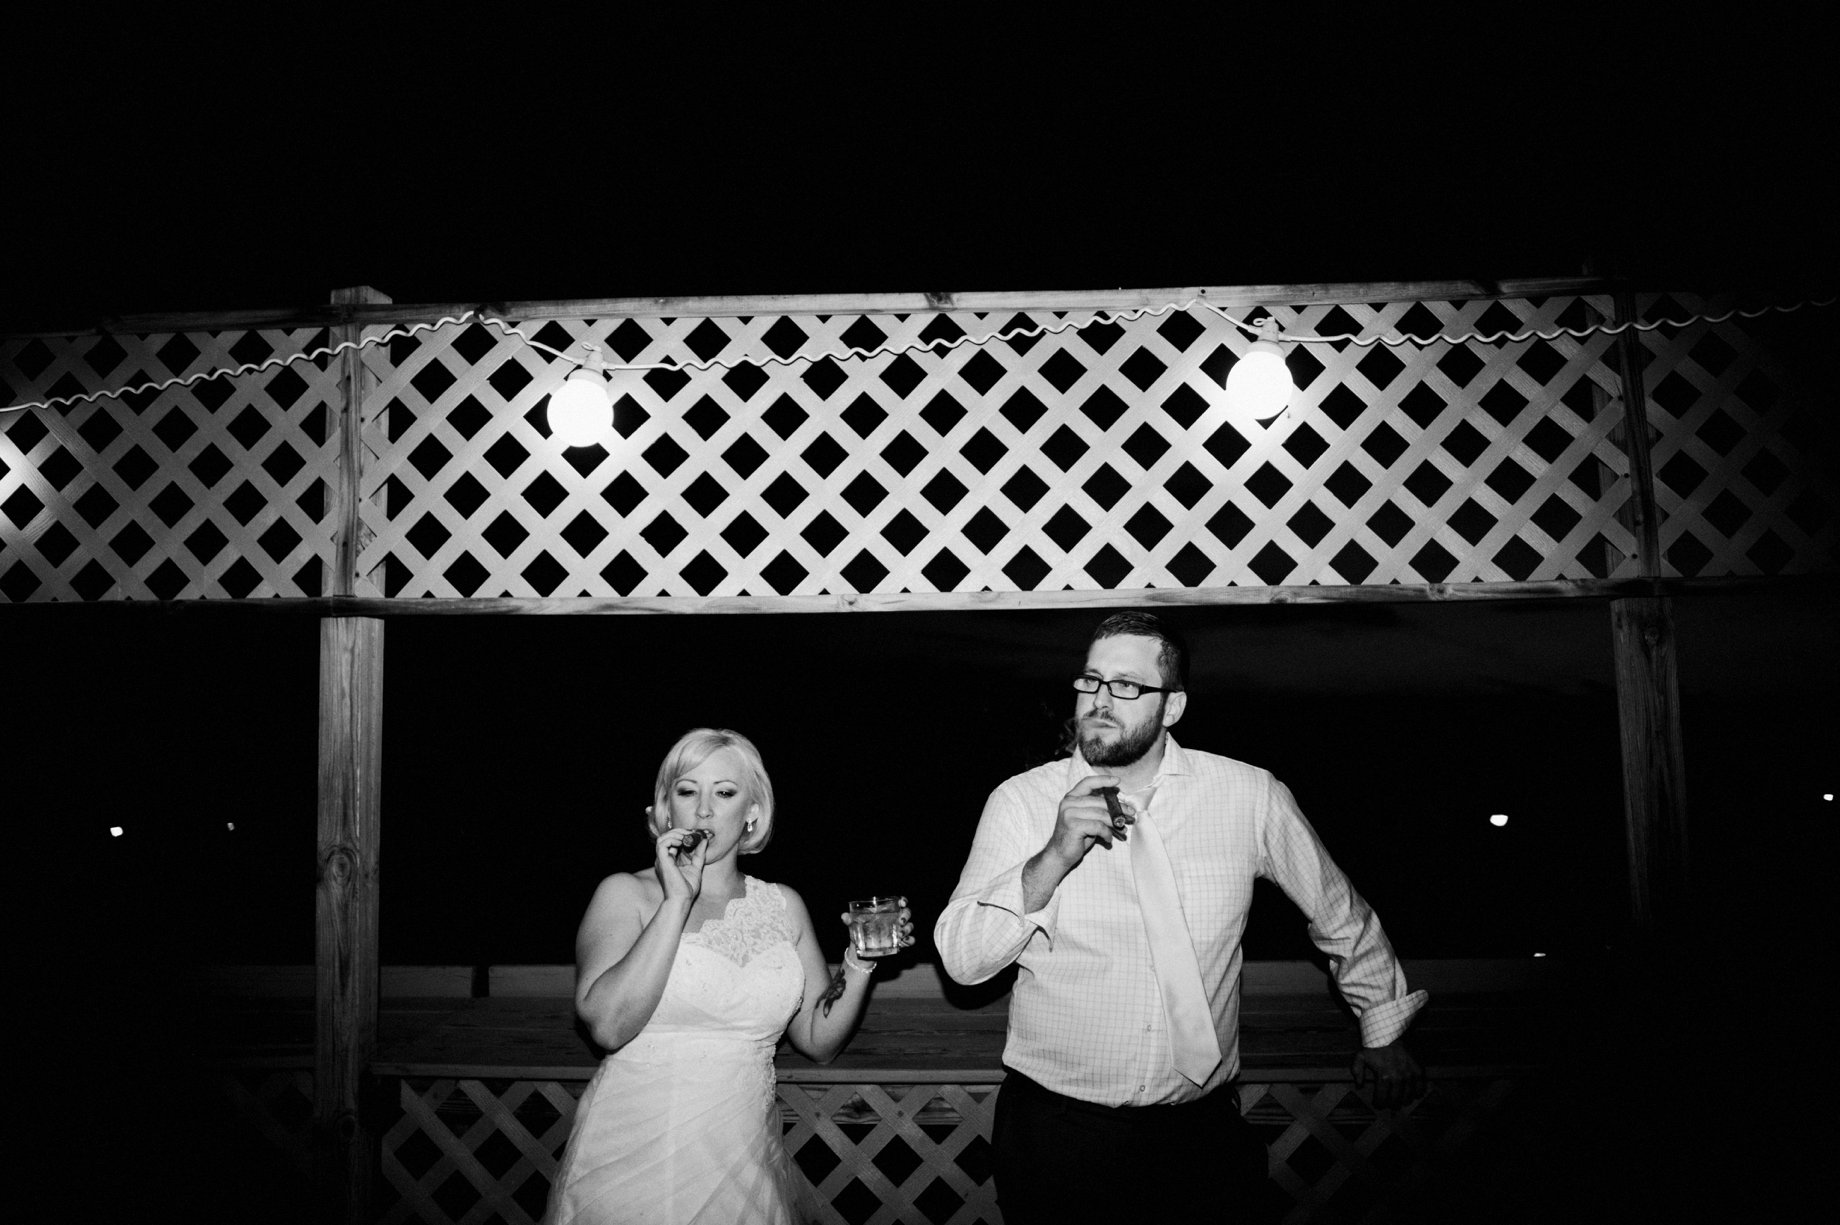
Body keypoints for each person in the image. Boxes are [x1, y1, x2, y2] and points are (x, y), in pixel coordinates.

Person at [935, 612, 1427, 1223]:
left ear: (1172, 707)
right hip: (1058, 1135)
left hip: (1200, 1134)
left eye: (1126, 687)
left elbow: (1340, 913)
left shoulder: (1248, 796)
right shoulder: (1022, 802)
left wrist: (1382, 1029)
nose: (1099, 701)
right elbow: (962, 960)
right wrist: (1052, 857)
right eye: (1090, 682)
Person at [546, 728, 914, 1225]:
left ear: (752, 812)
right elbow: (609, 1027)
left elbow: (817, 1040)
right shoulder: (624, 895)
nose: (703, 810)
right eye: (686, 791)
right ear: (665, 810)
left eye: (724, 792)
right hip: (634, 1155)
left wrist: (860, 959)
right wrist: (678, 899)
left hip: (745, 1158)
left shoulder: (783, 904)